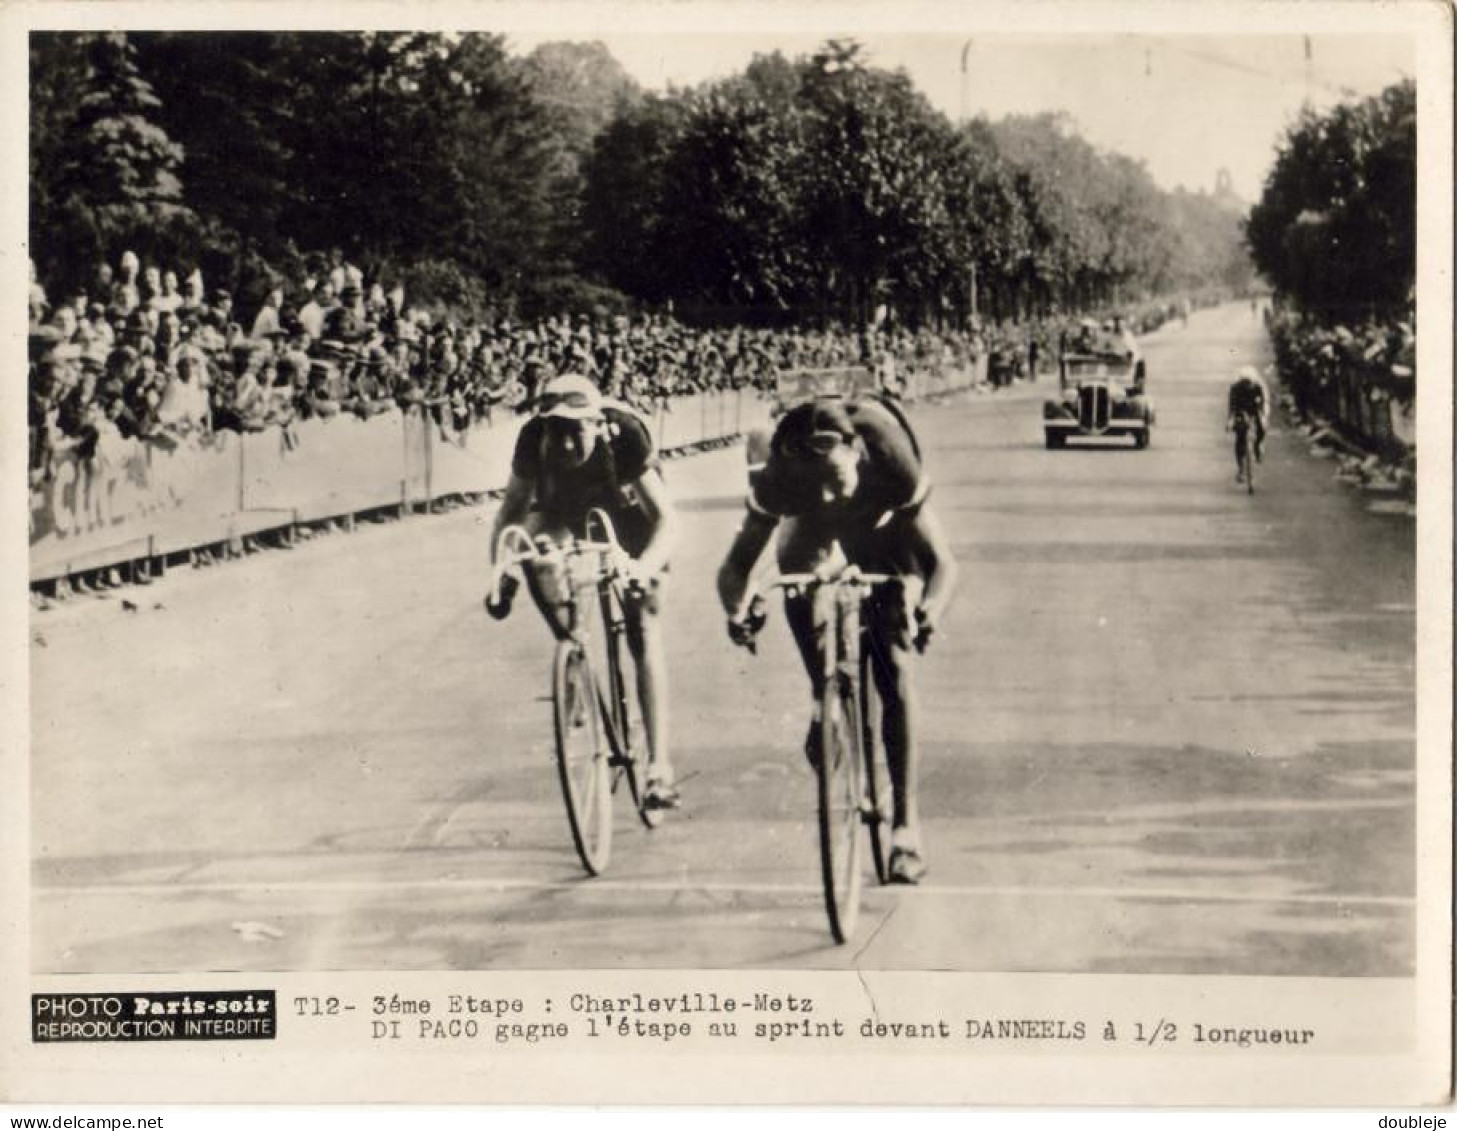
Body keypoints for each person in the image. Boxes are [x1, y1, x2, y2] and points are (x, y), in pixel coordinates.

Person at [715, 394, 958, 884]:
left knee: (893, 660)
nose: (828, 494)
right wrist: (738, 610)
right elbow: (736, 566)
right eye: (815, 481)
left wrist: (928, 611)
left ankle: (906, 828)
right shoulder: (784, 473)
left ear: (854, 450)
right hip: (812, 531)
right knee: (799, 586)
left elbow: (941, 565)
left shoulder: (891, 459)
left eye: (835, 479)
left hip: (884, 525)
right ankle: (823, 697)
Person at [486, 374, 681, 808]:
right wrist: (501, 576)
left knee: (643, 623)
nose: (567, 446)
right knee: (536, 553)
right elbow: (509, 516)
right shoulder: (533, 440)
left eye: (576, 432)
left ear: (596, 424)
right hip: (564, 508)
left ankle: (659, 770)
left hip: (631, 518)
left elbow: (669, 520)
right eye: (558, 434)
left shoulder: (625, 435)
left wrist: (641, 567)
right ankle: (571, 644)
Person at [1226, 365, 1269, 473]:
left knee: (1262, 428)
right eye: (1244, 382)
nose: (1247, 384)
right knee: (1239, 437)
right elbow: (1232, 406)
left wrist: (1264, 416)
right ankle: (1241, 467)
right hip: (1241, 410)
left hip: (1255, 409)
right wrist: (1230, 420)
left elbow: (1264, 403)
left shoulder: (1259, 387)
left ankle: (1258, 445)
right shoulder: (1235, 388)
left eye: (1249, 382)